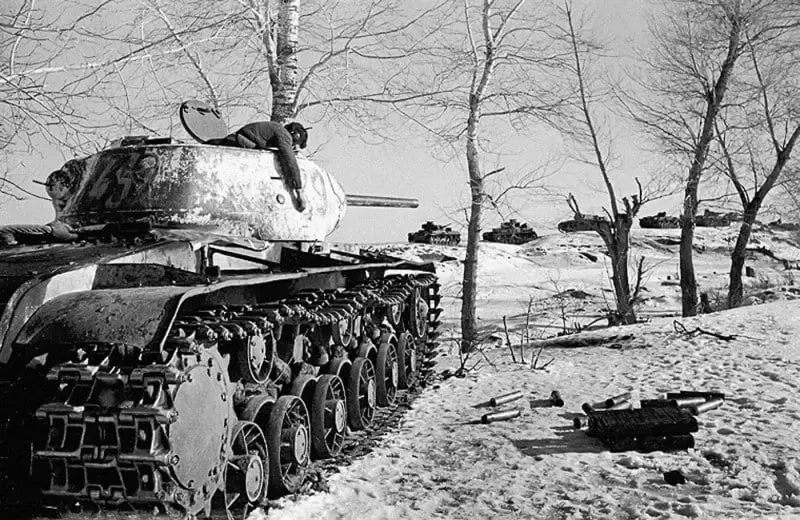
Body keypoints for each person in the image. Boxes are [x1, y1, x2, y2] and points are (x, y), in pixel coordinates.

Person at [207, 121, 309, 212]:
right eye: (294, 144)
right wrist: (299, 191)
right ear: (295, 136)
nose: (292, 146)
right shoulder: (284, 135)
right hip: (236, 144)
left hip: (236, 141)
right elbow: (290, 162)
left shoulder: (278, 129)